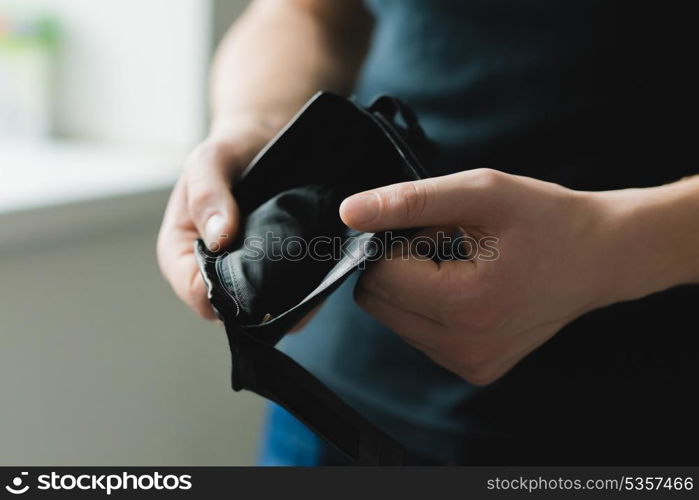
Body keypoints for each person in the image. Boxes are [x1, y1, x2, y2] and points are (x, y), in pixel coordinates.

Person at [157, 0, 698, 465]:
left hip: (633, 426)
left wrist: (611, 247)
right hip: (325, 411)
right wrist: (259, 128)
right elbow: (308, 10)